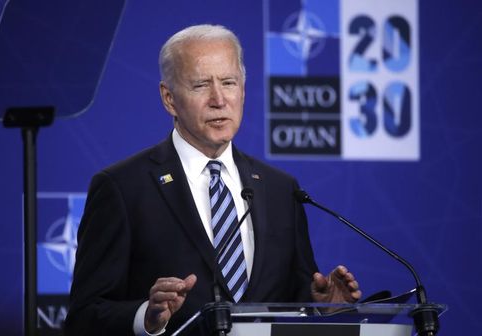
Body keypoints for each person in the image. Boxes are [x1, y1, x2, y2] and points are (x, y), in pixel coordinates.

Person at [65, 24, 361, 336]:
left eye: (229, 83)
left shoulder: (280, 189)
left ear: (243, 91)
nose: (219, 99)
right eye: (200, 86)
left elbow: (290, 298)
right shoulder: (123, 188)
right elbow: (85, 316)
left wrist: (321, 307)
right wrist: (148, 317)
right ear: (169, 99)